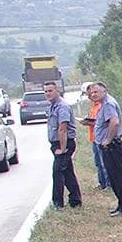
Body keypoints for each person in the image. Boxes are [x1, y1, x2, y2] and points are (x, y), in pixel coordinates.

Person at [88, 82, 122, 216]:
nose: (93, 94)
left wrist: (107, 140)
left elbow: (114, 122)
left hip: (112, 146)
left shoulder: (108, 104)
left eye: (96, 92)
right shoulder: (104, 104)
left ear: (104, 91)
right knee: (114, 177)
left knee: (117, 177)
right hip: (110, 145)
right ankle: (121, 205)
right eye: (92, 92)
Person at [44, 81, 81, 209]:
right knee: (67, 172)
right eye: (46, 91)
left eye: (50, 90)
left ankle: (58, 203)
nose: (48, 93)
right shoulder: (51, 107)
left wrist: (63, 148)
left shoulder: (62, 106)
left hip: (64, 143)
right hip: (56, 144)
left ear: (57, 91)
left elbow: (62, 129)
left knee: (57, 172)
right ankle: (75, 200)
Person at [75, 83, 109, 189]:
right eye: (88, 94)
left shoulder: (101, 105)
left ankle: (108, 184)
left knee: (104, 164)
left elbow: (101, 123)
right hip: (94, 138)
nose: (90, 96)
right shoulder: (94, 106)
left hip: (100, 138)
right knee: (98, 163)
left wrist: (87, 122)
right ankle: (102, 183)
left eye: (92, 93)